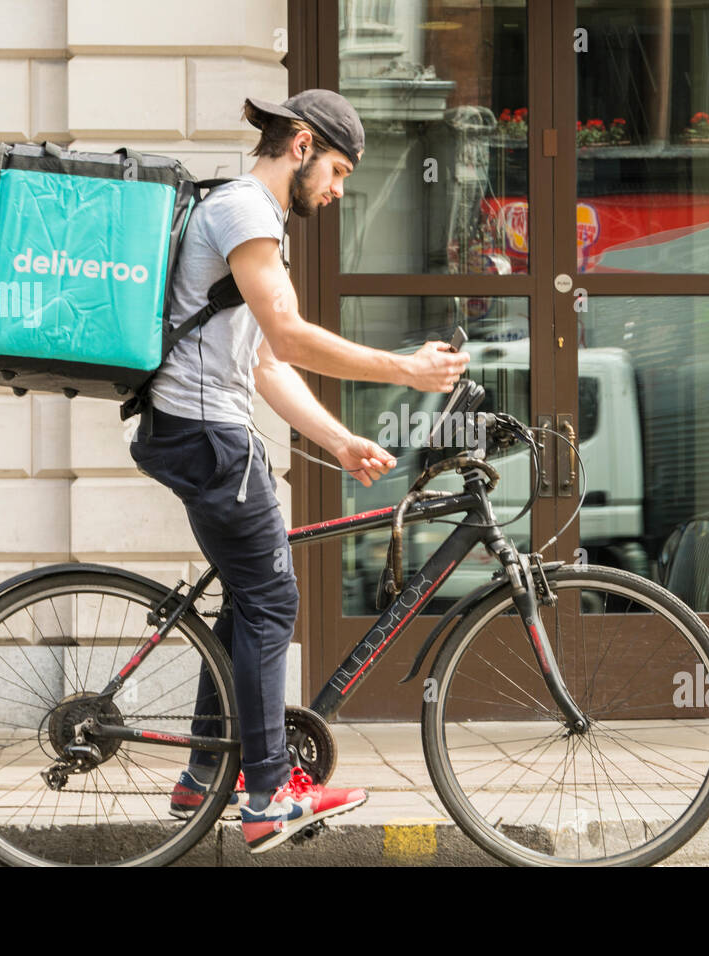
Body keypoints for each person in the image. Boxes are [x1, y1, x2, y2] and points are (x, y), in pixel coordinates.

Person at [130, 89, 468, 853]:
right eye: (340, 171)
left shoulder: (244, 213)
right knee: (274, 600)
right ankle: (268, 797)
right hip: (211, 435)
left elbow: (263, 358)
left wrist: (342, 440)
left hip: (194, 427)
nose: (340, 191)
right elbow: (288, 331)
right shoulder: (247, 211)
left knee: (246, 602)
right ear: (304, 145)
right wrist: (403, 370)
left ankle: (201, 776)